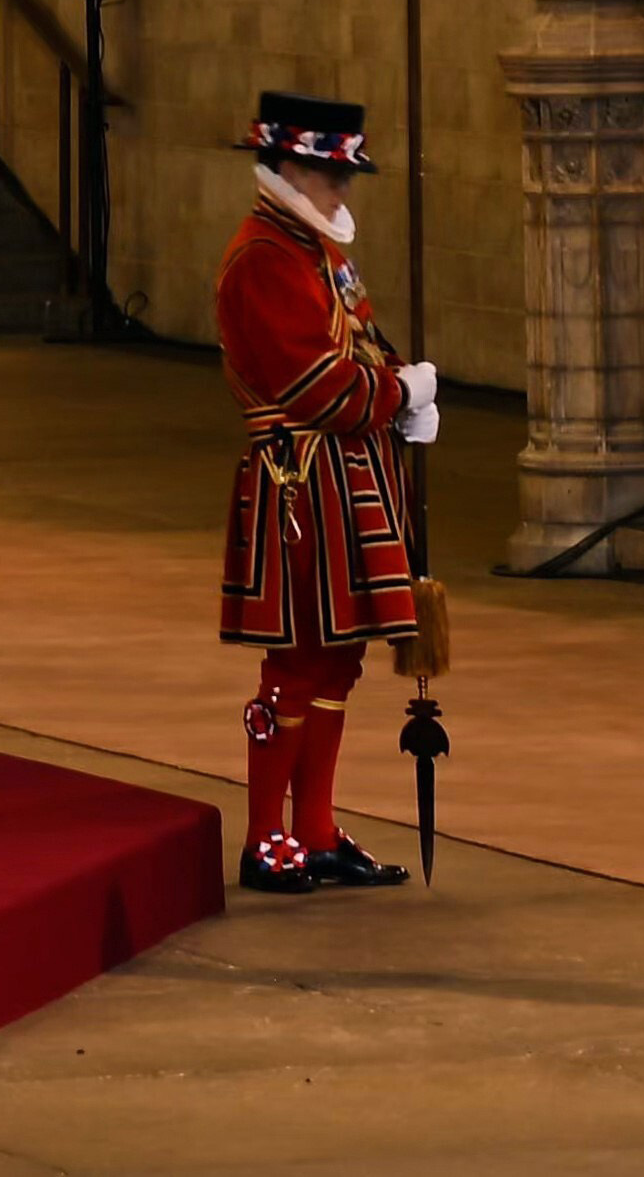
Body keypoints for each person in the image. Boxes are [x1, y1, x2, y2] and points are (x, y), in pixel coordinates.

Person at [207, 89, 445, 892]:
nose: (343, 191)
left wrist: (397, 388)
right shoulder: (267, 256)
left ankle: (312, 827)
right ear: (290, 167)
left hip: (344, 479)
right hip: (301, 483)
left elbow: (360, 348)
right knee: (297, 664)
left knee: (337, 661)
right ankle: (264, 833)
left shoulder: (315, 250)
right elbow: (323, 389)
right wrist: (399, 395)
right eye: (331, 174)